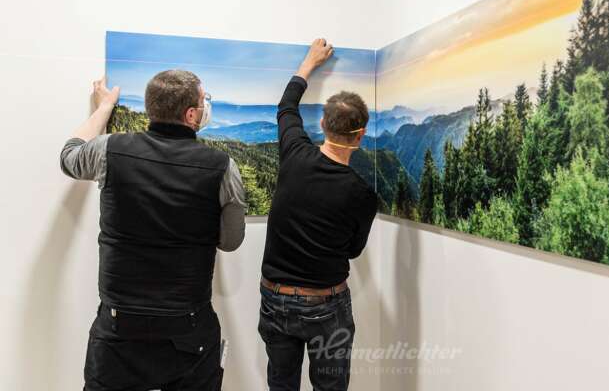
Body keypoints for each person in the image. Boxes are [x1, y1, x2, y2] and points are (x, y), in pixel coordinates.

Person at [59, 71, 246, 391]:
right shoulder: (222, 166)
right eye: (204, 102)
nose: (206, 107)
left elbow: (69, 157)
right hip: (188, 327)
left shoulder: (109, 150)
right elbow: (230, 241)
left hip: (120, 327)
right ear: (191, 114)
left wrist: (104, 108)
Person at [258, 38, 378, 391]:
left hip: (275, 297)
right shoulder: (362, 194)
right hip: (326, 303)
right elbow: (353, 250)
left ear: (323, 122)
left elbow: (286, 106)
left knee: (281, 386)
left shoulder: (294, 152)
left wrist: (309, 63)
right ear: (360, 136)